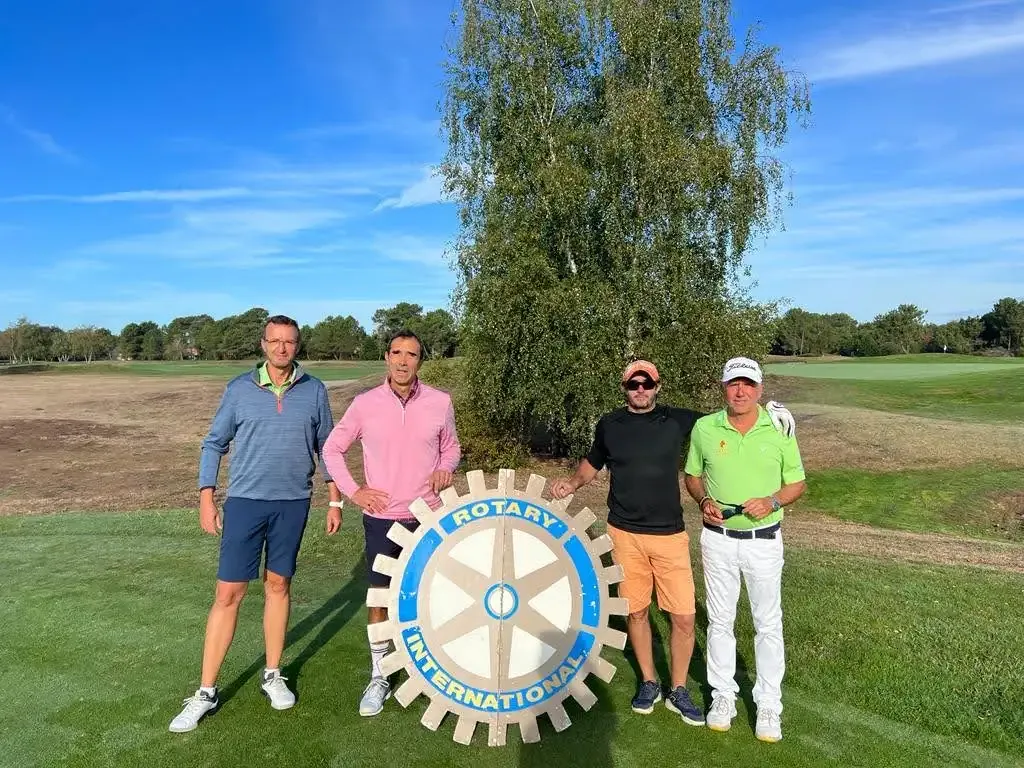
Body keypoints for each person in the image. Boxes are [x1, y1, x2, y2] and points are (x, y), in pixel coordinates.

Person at [550, 360, 795, 726]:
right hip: (624, 533)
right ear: (625, 387)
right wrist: (572, 483)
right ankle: (649, 681)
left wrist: (773, 409)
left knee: (683, 617)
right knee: (635, 611)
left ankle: (678, 689)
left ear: (658, 386)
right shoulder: (610, 425)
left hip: (670, 534)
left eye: (647, 383)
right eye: (634, 383)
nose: (640, 389)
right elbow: (592, 463)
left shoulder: (681, 421)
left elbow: (732, 412)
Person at [169, 315, 344, 733]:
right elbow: (214, 443)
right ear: (263, 345)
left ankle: (272, 674)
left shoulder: (314, 390)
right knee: (229, 593)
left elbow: (328, 447)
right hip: (246, 503)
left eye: (290, 342)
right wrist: (206, 496)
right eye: (275, 341)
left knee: (278, 585)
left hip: (293, 503)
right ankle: (206, 691)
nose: (282, 348)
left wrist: (335, 499)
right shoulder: (239, 389)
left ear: (297, 346)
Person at [322, 329, 461, 717]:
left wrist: (445, 468)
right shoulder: (365, 404)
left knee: (431, 596)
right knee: (381, 598)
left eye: (411, 354)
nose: (403, 361)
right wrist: (353, 491)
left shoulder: (440, 401)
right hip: (382, 518)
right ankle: (380, 674)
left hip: (428, 517)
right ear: (386, 357)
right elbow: (332, 448)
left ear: (420, 361)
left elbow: (451, 447)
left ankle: (436, 672)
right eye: (396, 353)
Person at [683, 356, 806, 743]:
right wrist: (703, 501)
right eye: (734, 384)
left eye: (748, 385)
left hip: (764, 542)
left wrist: (771, 502)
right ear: (723, 387)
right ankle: (723, 698)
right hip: (717, 540)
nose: (741, 391)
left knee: (767, 625)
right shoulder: (705, 427)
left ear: (760, 389)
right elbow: (692, 476)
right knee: (720, 622)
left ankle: (769, 704)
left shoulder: (780, 427)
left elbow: (796, 485)